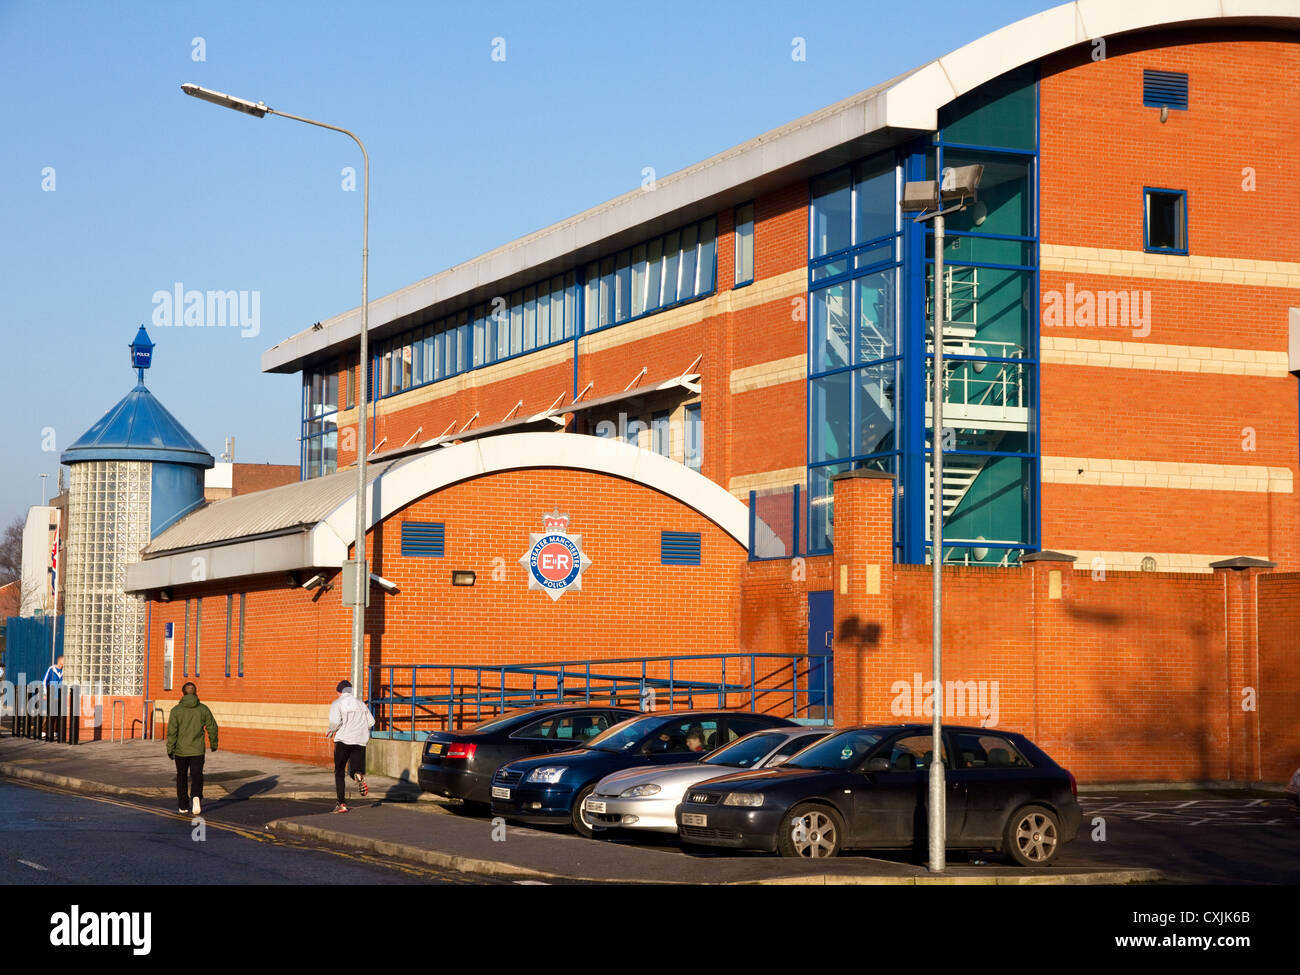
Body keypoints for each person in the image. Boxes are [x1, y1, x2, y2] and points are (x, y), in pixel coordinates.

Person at [166, 682, 218, 816]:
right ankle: (196, 797)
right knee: (197, 775)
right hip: (197, 750)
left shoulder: (176, 710)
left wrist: (170, 749)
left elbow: (172, 732)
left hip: (181, 751)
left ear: (182, 693)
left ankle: (183, 805)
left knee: (181, 777)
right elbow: (212, 727)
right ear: (196, 692)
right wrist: (213, 743)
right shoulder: (203, 709)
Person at [327, 679, 375, 813]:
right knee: (355, 769)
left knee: (339, 772)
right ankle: (358, 775)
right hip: (360, 741)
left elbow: (335, 723)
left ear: (340, 692)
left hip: (343, 740)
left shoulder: (337, 703)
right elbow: (371, 722)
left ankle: (341, 804)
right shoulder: (361, 704)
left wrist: (330, 731)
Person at [40, 654, 63, 739]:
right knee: (49, 713)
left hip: (60, 695)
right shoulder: (51, 669)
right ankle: (44, 731)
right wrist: (45, 693)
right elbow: (44, 681)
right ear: (60, 661)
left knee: (58, 714)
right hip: (51, 695)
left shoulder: (65, 671)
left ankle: (55, 731)